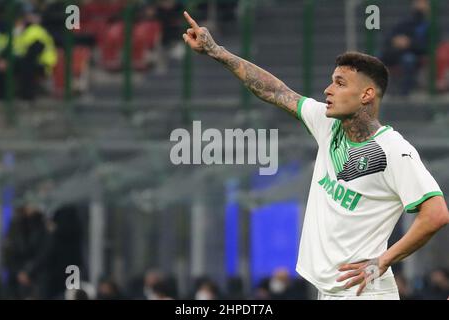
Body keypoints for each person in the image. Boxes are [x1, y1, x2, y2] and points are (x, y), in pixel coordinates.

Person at [182, 11, 449, 300]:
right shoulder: (328, 124)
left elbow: (435, 214)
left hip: (365, 292)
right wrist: (217, 51)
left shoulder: (394, 150)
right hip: (331, 290)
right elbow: (275, 91)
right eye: (331, 81)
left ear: (367, 95)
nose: (328, 90)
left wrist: (382, 261)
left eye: (340, 83)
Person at [380, 0, 431, 95]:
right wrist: (395, 40)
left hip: (416, 54)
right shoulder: (406, 22)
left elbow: (427, 47)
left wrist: (409, 43)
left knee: (408, 59)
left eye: (423, 3)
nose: (419, 6)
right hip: (397, 52)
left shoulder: (429, 26)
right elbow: (390, 36)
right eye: (417, 3)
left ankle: (404, 92)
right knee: (377, 57)